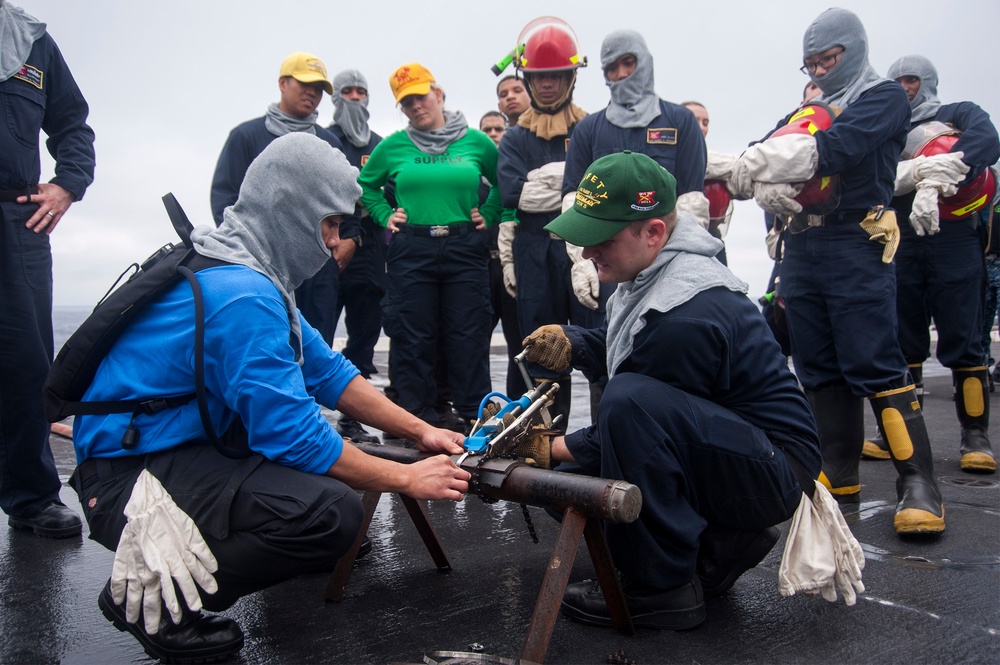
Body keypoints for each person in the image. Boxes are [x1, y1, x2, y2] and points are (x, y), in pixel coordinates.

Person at [70, 134, 471, 663]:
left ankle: (214, 563)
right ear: (292, 210)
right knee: (331, 515)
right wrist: (406, 478)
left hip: (170, 450)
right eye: (330, 223)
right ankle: (149, 597)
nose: (334, 241)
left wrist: (419, 430)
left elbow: (330, 374)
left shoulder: (242, 266)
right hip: (126, 478)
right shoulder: (241, 295)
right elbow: (294, 438)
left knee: (322, 491)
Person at [519, 151, 821, 630]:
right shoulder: (656, 272)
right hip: (743, 446)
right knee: (586, 461)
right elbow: (638, 352)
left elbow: (642, 415)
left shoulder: (686, 310)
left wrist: (545, 449)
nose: (587, 252)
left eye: (600, 239)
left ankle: (661, 590)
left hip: (773, 470)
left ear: (654, 231)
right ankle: (714, 549)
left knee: (603, 432)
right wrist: (574, 343)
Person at [730, 8, 945, 535]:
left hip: (855, 239)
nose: (821, 71)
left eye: (829, 58)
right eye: (811, 64)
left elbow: (838, 148)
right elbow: (761, 148)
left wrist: (769, 164)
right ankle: (838, 474)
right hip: (802, 246)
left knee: (873, 361)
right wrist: (763, 174)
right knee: (819, 366)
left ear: (854, 50)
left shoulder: (885, 97)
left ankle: (918, 482)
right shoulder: (804, 109)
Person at [860, 55, 998, 473]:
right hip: (899, 239)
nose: (904, 86)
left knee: (964, 336)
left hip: (952, 237)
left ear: (927, 81)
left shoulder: (957, 113)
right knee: (904, 339)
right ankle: (895, 435)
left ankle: (975, 436)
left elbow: (988, 140)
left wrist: (942, 171)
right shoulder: (887, 123)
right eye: (897, 79)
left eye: (911, 79)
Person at [358, 63, 502, 429]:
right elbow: (365, 186)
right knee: (412, 335)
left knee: (468, 333)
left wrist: (488, 211)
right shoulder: (393, 146)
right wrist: (383, 215)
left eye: (420, 97)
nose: (415, 106)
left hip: (464, 248)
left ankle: (474, 415)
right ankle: (415, 420)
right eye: (406, 103)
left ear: (438, 94)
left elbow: (504, 181)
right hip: (412, 249)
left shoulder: (476, 141)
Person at [1, 1, 95, 538]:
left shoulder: (33, 41)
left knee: (25, 362)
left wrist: (68, 183)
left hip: (18, 220)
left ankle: (32, 495)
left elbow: (73, 124)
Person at [497, 16, 612, 429]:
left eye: (557, 76)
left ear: (571, 77)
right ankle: (542, 437)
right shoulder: (514, 138)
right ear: (527, 80)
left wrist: (548, 182)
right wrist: (572, 181)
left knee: (599, 341)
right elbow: (515, 195)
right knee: (541, 345)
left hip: (585, 248)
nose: (547, 84)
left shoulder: (592, 128)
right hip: (534, 250)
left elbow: (600, 186)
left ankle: (606, 432)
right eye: (539, 77)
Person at [210, 51, 357, 345]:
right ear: (282, 83)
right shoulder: (246, 136)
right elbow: (225, 198)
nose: (312, 93)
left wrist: (351, 238)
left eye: (319, 89)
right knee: (264, 340)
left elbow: (344, 202)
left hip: (318, 266)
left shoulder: (329, 142)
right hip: (260, 265)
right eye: (305, 84)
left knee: (316, 345)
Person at [563, 30, 708, 230]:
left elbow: (691, 198)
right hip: (605, 250)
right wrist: (584, 259)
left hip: (666, 245)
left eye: (628, 62)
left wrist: (680, 253)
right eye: (612, 68)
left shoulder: (681, 121)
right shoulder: (587, 130)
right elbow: (575, 201)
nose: (621, 73)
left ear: (645, 62)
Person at [326, 69, 386, 445]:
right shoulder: (321, 139)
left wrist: (358, 235)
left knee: (364, 335)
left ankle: (352, 418)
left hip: (369, 254)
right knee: (314, 331)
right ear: (335, 98)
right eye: (346, 92)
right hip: (324, 252)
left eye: (360, 91)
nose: (354, 98)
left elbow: (389, 197)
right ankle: (305, 415)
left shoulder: (381, 145)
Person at [480, 109, 523, 399]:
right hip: (480, 268)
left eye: (498, 128)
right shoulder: (470, 178)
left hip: (511, 267)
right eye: (487, 130)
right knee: (474, 343)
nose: (494, 134)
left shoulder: (514, 174)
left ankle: (517, 408)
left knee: (518, 343)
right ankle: (477, 408)